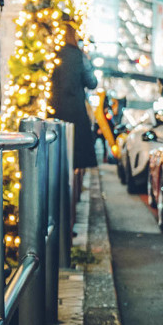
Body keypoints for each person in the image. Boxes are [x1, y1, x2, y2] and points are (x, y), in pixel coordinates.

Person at [51, 25, 98, 228]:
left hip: (54, 115)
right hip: (76, 116)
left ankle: (59, 222)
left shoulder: (53, 55)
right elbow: (92, 83)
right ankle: (69, 225)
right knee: (75, 166)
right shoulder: (79, 56)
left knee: (57, 165)